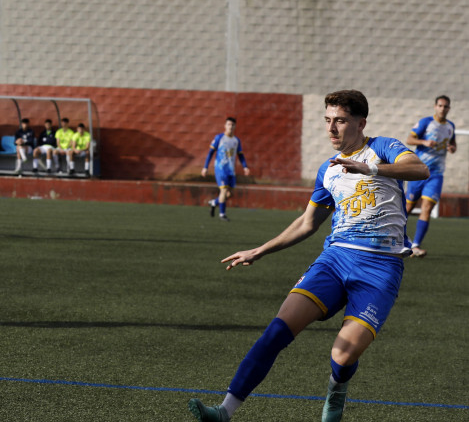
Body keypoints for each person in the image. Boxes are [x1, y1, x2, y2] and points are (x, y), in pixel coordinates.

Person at [187, 90, 428, 422]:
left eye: (340, 121)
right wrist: (259, 251)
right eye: (327, 120)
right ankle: (224, 411)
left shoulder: (383, 147)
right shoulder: (328, 170)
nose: (331, 129)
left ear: (361, 123)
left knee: (342, 357)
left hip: (380, 268)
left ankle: (336, 388)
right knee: (276, 332)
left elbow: (419, 169)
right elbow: (307, 222)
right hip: (335, 260)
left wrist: (368, 168)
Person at [404, 95, 457, 258]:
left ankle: (416, 245)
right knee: (407, 208)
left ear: (449, 108)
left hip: (436, 174)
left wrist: (452, 148)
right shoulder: (426, 122)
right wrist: (424, 142)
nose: (443, 109)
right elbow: (409, 139)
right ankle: (394, 239)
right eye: (440, 106)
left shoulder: (450, 126)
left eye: (446, 106)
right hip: (419, 171)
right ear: (435, 106)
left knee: (427, 207)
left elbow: (453, 144)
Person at [201, 117, 250, 221]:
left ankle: (214, 202)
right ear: (225, 126)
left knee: (229, 194)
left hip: (231, 170)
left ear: (235, 126)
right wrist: (205, 167)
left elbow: (240, 155)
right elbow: (210, 153)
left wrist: (245, 167)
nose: (230, 127)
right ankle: (222, 214)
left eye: (232, 125)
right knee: (223, 191)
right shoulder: (219, 138)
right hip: (220, 169)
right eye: (228, 124)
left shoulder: (236, 141)